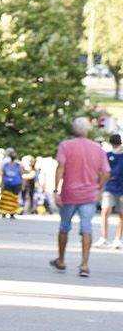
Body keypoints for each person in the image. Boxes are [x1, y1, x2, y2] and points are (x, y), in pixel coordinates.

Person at [50, 116, 110, 277]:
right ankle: (84, 265)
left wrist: (56, 190)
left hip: (69, 193)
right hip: (89, 195)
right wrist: (98, 187)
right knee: (86, 228)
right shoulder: (97, 148)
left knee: (64, 227)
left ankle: (61, 260)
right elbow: (106, 172)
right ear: (88, 130)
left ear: (73, 130)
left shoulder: (65, 146)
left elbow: (60, 168)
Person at [101, 134, 123, 248]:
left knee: (121, 214)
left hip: (121, 187)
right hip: (109, 186)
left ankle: (117, 239)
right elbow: (104, 171)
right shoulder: (108, 155)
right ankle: (104, 238)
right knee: (105, 211)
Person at [0, 148, 25, 218]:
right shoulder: (5, 164)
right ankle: (4, 212)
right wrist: (1, 183)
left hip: (16, 184)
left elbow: (21, 175)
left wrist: (22, 184)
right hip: (7, 183)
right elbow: (2, 174)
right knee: (5, 198)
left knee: (14, 198)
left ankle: (12, 213)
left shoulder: (18, 165)